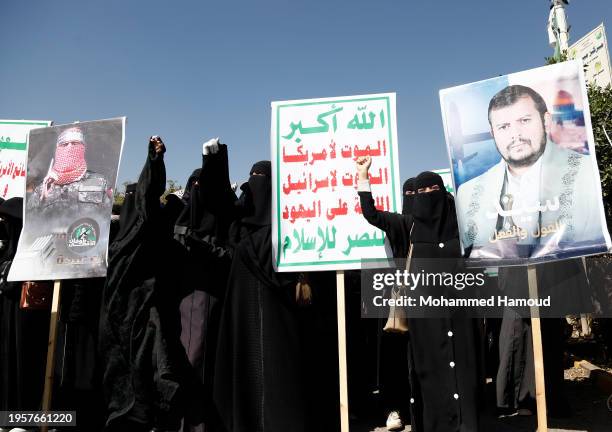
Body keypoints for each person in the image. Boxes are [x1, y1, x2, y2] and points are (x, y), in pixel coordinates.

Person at [357, 156, 482, 432]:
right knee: (430, 373)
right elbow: (372, 214)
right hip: (424, 320)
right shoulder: (409, 225)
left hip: (459, 314)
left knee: (463, 371)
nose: (426, 197)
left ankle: (466, 423)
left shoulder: (461, 226)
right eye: (421, 192)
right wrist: (363, 176)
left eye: (432, 190)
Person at [99, 136, 199, 432]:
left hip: (141, 325)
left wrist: (153, 163)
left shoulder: (137, 238)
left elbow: (145, 204)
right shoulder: (120, 243)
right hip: (120, 327)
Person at [455, 84, 605, 260]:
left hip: (566, 279)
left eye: (524, 121)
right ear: (493, 133)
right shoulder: (468, 194)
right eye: (504, 127)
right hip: (505, 284)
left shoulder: (585, 173)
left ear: (546, 121)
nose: (515, 135)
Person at [28, 126, 112, 215]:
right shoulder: (43, 187)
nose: (69, 147)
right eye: (64, 144)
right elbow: (30, 219)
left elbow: (107, 217)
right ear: (57, 149)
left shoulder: (100, 182)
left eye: (75, 143)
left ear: (83, 147)